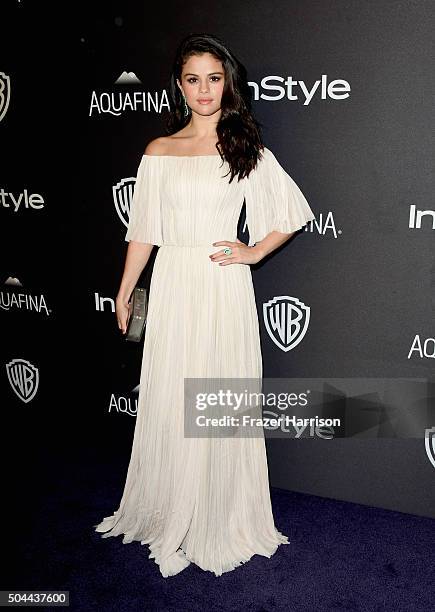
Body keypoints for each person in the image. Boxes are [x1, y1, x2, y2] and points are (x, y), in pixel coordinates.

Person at [94, 32, 316, 578]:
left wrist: (251, 252)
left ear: (227, 83)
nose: (204, 89)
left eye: (214, 78)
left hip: (220, 286)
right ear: (180, 84)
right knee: (172, 392)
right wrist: (125, 291)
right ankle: (170, 505)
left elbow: (292, 213)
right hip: (172, 283)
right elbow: (143, 230)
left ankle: (219, 511)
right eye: (193, 79)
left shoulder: (244, 148)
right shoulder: (159, 151)